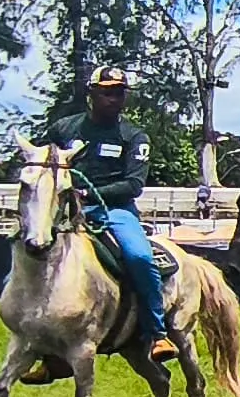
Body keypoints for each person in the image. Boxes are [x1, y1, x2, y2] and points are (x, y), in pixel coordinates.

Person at [41, 63, 177, 361]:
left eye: (119, 93)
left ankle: (157, 334)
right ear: (91, 94)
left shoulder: (134, 136)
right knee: (34, 248)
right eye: (107, 93)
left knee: (139, 257)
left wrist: (90, 193)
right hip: (65, 211)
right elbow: (41, 163)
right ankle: (42, 348)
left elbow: (134, 184)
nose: (114, 99)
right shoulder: (63, 129)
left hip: (115, 211)